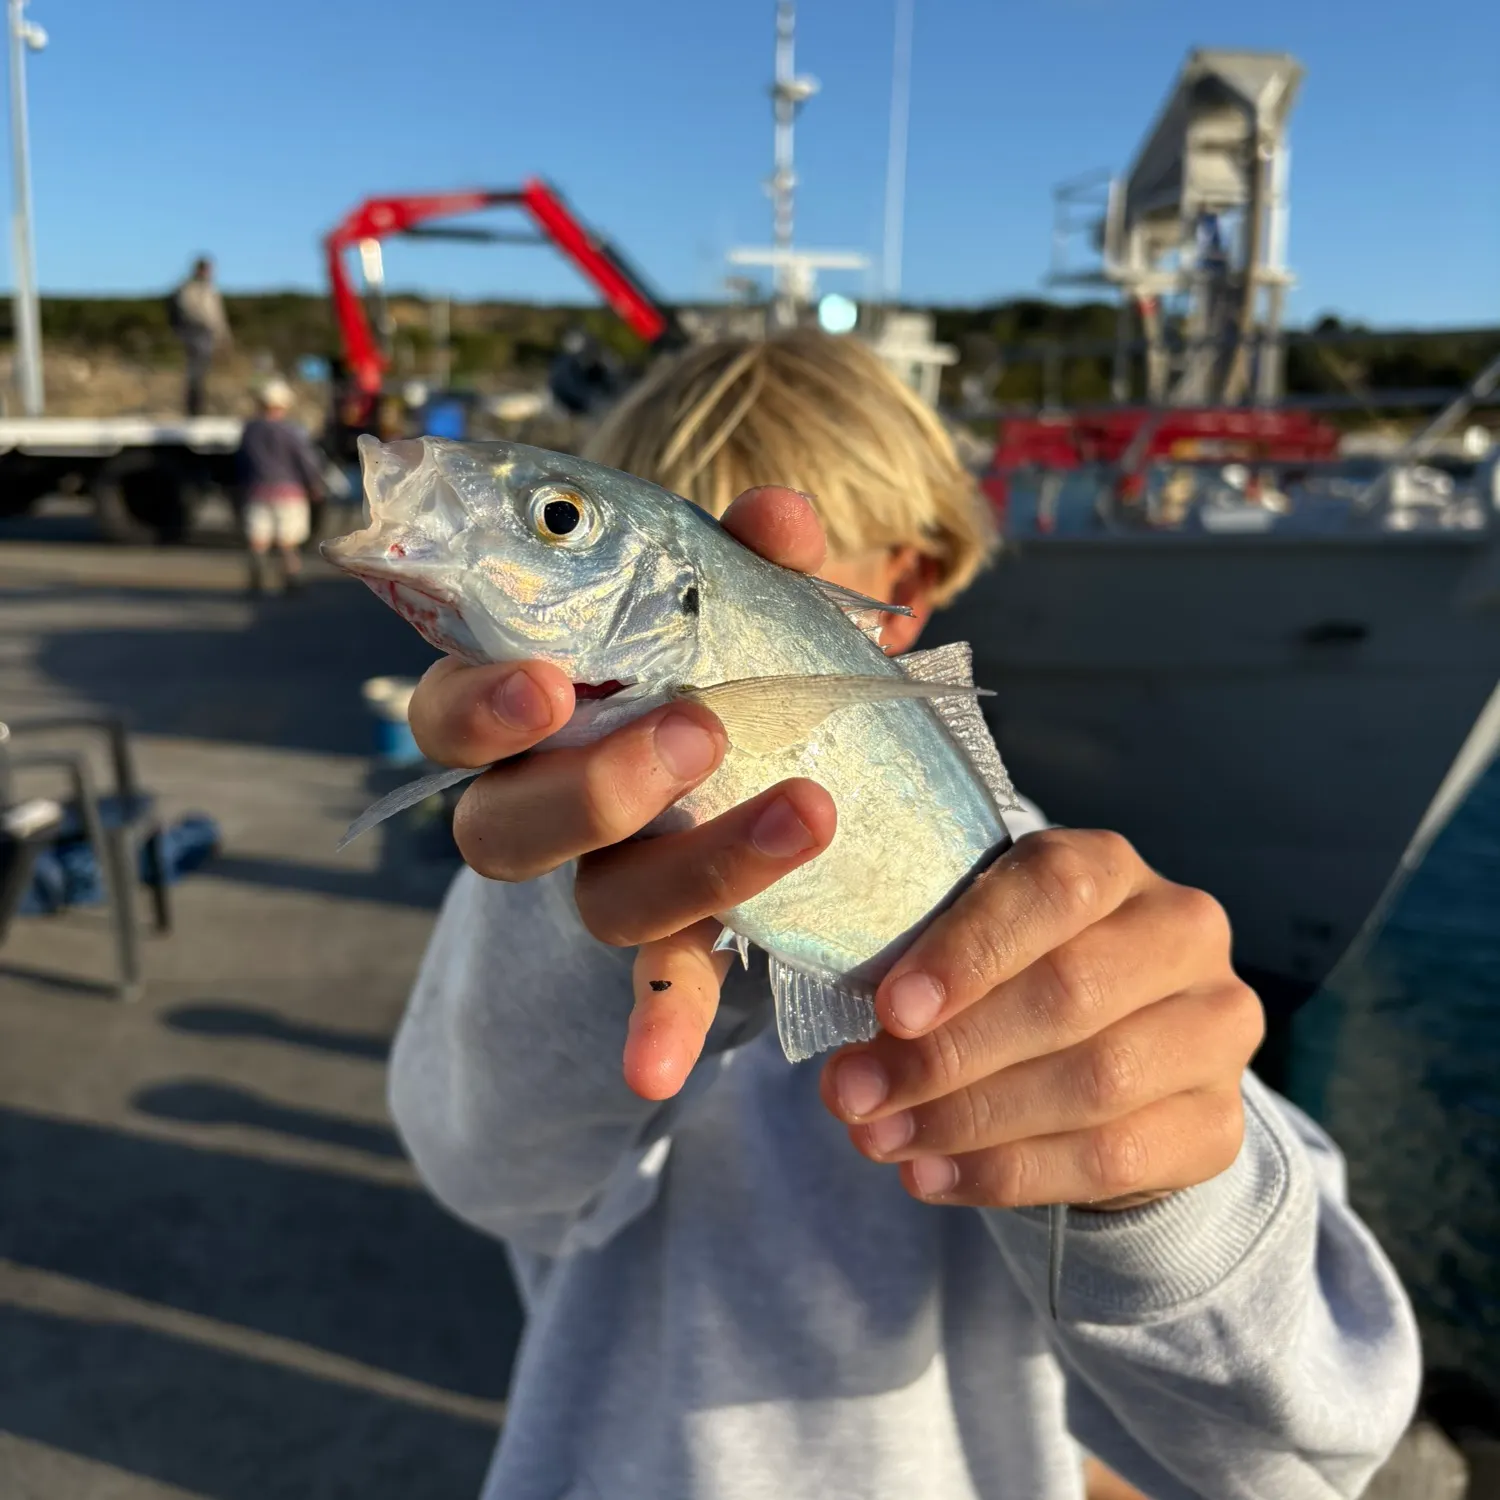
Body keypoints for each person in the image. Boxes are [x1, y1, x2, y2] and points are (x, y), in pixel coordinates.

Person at [388, 330, 1421, 1500]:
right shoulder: (541, 870)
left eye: (564, 524)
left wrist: (1153, 1189)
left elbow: (1318, 1439)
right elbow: (481, 1167)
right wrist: (566, 924)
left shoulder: (1044, 903)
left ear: (908, 589)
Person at [235, 377, 324, 595]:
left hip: (258, 489)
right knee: (287, 540)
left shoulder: (250, 430)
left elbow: (241, 460)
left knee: (258, 537)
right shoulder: (290, 431)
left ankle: (256, 578)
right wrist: (314, 484)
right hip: (289, 491)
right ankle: (291, 578)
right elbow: (305, 460)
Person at [168, 256, 231, 416]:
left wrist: (223, 334)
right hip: (195, 333)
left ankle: (200, 407)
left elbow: (217, 315)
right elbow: (190, 311)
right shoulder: (188, 288)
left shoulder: (210, 289)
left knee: (203, 372)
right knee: (195, 372)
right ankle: (193, 408)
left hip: (208, 334)